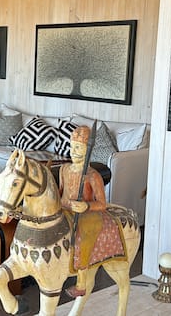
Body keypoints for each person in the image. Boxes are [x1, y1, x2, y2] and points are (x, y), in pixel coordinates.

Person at [59, 125, 108, 298]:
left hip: (85, 214)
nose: (74, 151)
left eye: (79, 148)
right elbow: (61, 192)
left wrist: (86, 206)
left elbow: (102, 203)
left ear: (88, 151)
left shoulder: (93, 175)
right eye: (72, 147)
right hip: (64, 209)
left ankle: (81, 282)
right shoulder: (64, 169)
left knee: (84, 235)